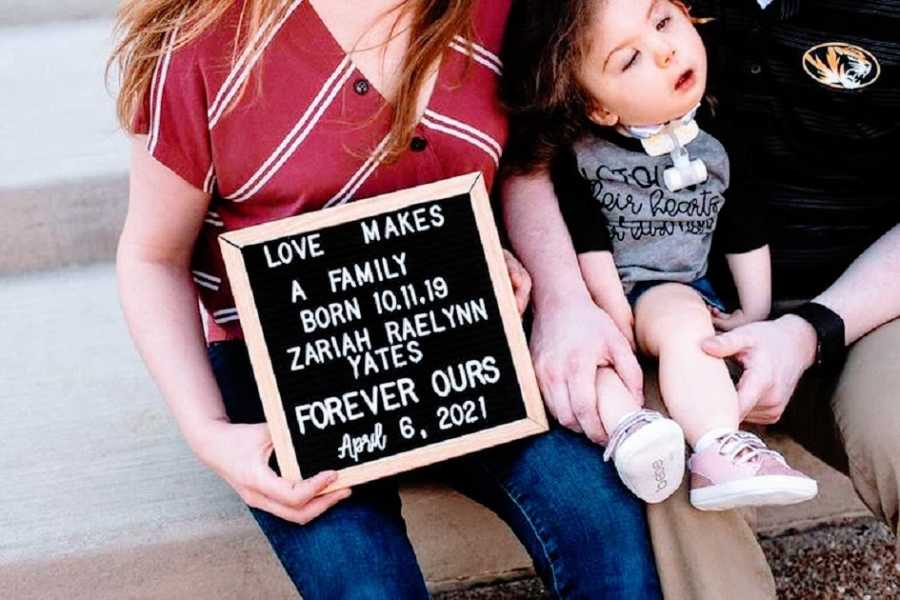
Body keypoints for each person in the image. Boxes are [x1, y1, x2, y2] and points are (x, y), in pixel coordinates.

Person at [110, 0, 662, 597]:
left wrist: (557, 299)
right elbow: (152, 257)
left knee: (602, 524)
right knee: (364, 584)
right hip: (283, 366)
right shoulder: (201, 47)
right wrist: (209, 432)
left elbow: (525, 167)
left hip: (465, 334)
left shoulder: (497, 13)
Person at [501, 0, 900, 597]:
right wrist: (567, 303)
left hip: (863, 303)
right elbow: (528, 152)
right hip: (678, 313)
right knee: (670, 474)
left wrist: (809, 329)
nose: (662, 47)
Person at [501, 0, 818, 510]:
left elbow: (742, 226)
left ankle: (718, 449)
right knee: (593, 364)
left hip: (672, 288)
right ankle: (633, 434)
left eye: (665, 22)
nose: (666, 51)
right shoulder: (585, 155)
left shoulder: (718, 138)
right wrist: (613, 319)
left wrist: (752, 312)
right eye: (630, 60)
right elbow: (588, 240)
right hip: (593, 294)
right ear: (599, 107)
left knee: (688, 329)